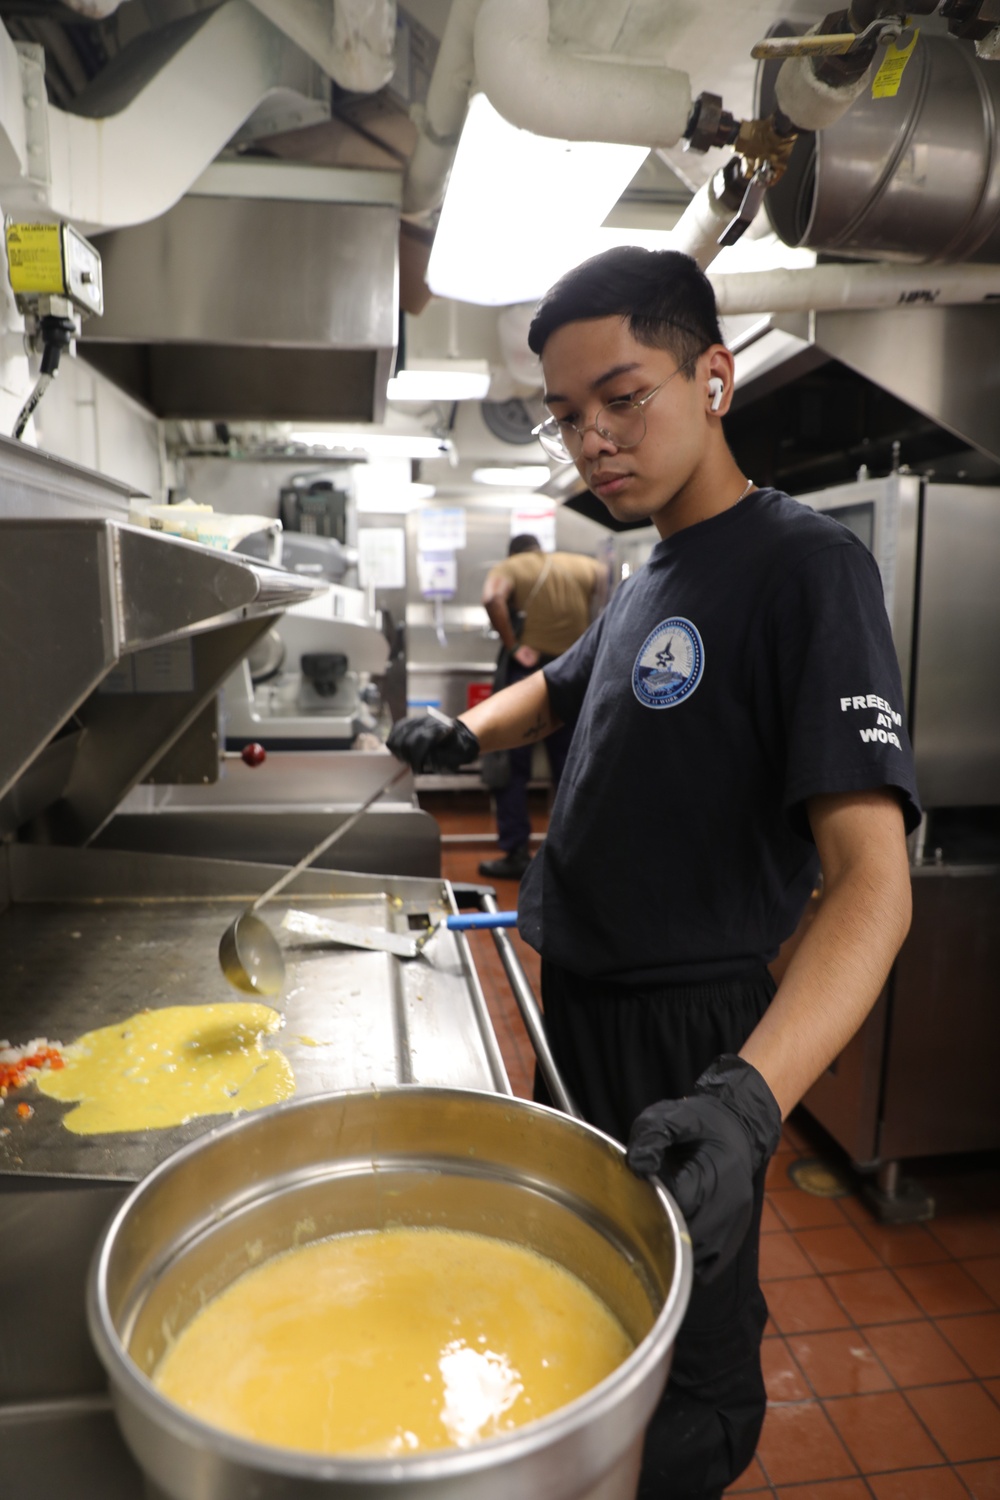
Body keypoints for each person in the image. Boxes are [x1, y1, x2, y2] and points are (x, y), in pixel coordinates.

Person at [387, 246, 919, 1500]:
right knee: (596, 1290)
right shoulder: (641, 574)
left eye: (624, 398)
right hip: (580, 995)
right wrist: (466, 732)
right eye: (572, 416)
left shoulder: (805, 567)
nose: (595, 440)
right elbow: (559, 689)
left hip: (689, 1032)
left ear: (716, 377)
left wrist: (745, 1103)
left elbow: (872, 886)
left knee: (690, 1362)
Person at [478, 532, 606, 879]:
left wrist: (514, 644)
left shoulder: (510, 566)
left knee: (511, 764)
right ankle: (574, 854)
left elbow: (492, 599)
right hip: (577, 673)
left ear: (515, 552)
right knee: (573, 765)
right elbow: (610, 588)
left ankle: (517, 852)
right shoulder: (585, 565)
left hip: (529, 674)